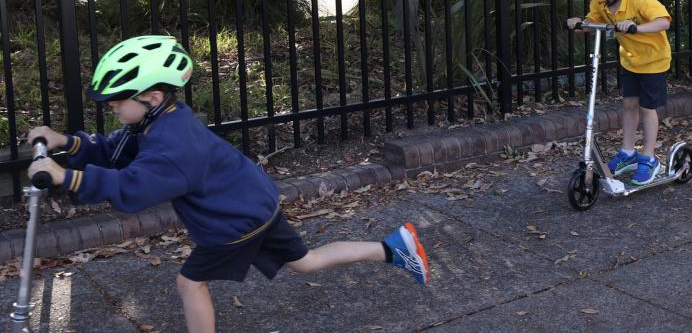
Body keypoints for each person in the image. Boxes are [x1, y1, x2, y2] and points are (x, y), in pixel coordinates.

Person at [27, 35, 430, 333]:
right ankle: (394, 248)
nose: (111, 106)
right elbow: (115, 150)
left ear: (150, 97)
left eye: (117, 99)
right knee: (304, 262)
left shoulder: (173, 146)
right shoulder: (164, 120)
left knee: (190, 281)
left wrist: (68, 177)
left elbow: (131, 190)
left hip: (233, 221)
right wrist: (67, 143)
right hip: (255, 204)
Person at [566, 0, 672, 186]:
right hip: (631, 60)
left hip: (654, 61)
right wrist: (579, 23)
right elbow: (591, 22)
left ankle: (649, 158)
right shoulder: (601, 1)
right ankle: (627, 153)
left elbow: (663, 22)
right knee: (629, 105)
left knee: (647, 109)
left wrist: (636, 27)